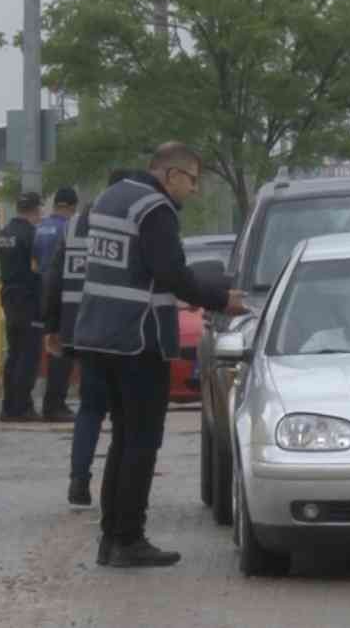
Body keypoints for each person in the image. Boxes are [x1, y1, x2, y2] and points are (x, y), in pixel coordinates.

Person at [72, 144, 245, 568]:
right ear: (171, 175)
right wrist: (223, 298)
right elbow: (171, 274)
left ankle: (112, 538)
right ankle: (128, 538)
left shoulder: (110, 198)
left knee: (124, 439)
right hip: (138, 338)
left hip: (99, 336)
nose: (195, 189)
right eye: (192, 179)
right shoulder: (156, 208)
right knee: (141, 441)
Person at [45, 172, 128, 507]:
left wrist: (52, 326)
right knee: (125, 412)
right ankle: (120, 484)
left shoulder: (74, 224)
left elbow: (53, 277)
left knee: (90, 408)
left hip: (81, 329)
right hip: (124, 332)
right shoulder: (132, 220)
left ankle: (79, 480)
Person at [0, 192, 49, 423]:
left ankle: (8, 406)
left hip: (9, 296)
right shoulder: (33, 235)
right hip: (29, 299)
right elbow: (39, 270)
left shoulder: (2, 234)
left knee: (14, 354)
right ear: (36, 210)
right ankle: (22, 407)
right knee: (28, 356)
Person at [35, 187, 80, 420]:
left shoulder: (40, 227)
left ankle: (51, 402)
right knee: (62, 349)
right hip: (61, 292)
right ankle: (55, 404)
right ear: (72, 207)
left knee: (51, 347)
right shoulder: (68, 228)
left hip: (41, 291)